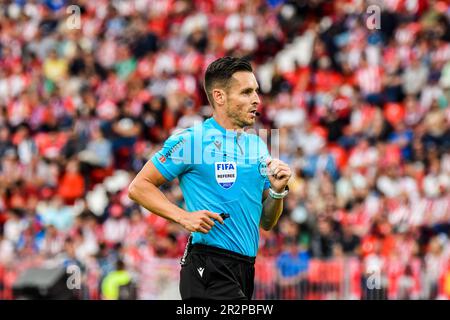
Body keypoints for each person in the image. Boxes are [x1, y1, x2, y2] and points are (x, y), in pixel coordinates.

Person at [128, 56, 292, 300]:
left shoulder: (257, 146)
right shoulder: (192, 141)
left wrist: (277, 193)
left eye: (256, 91)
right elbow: (138, 186)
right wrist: (183, 217)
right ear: (219, 97)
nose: (256, 99)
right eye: (246, 92)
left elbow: (267, 222)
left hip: (245, 268)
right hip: (208, 266)